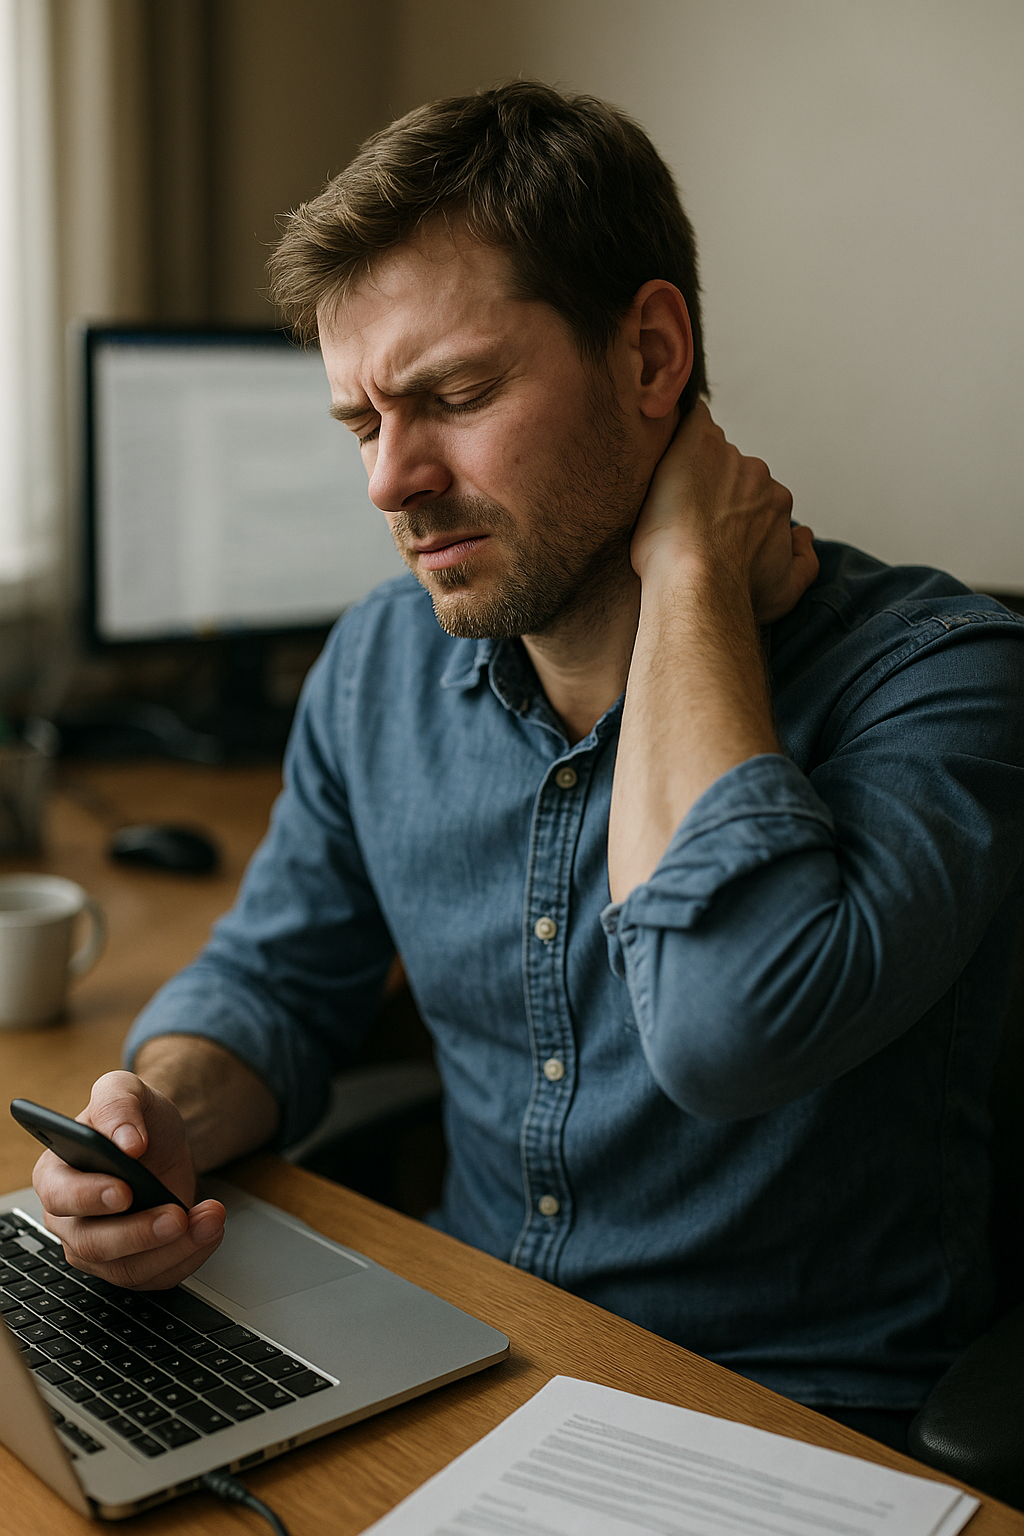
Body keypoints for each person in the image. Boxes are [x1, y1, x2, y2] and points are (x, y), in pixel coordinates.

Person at [34, 82, 1024, 1447]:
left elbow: (726, 1022)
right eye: (363, 424)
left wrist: (686, 564)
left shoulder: (946, 678)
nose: (389, 481)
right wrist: (159, 1121)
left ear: (651, 357)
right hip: (462, 1354)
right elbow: (274, 979)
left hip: (794, 1424)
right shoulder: (381, 665)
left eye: (452, 396)